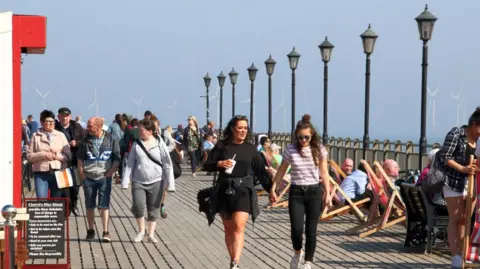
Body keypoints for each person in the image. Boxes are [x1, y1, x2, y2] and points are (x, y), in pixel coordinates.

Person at [203, 115, 269, 269]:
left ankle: (236, 263)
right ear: (232, 129)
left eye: (245, 128)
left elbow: (261, 172)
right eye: (240, 128)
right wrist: (219, 163)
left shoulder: (251, 149)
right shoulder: (221, 146)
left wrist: (272, 190)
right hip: (225, 189)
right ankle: (233, 260)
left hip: (244, 189)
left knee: (239, 225)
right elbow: (206, 165)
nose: (243, 131)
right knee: (228, 229)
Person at [269, 114, 332, 269]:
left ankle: (308, 262)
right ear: (296, 136)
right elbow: (281, 170)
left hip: (314, 191)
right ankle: (298, 252)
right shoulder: (290, 149)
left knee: (311, 230)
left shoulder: (319, 150)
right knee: (296, 228)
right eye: (300, 137)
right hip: (296, 192)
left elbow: (324, 173)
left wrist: (328, 193)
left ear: (312, 136)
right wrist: (273, 188)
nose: (303, 141)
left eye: (306, 138)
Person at [438, 107, 480, 268]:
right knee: (457, 219)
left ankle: (464, 253)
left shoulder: (478, 141)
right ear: (474, 124)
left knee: (466, 219)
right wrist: (462, 168)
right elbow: (444, 156)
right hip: (453, 181)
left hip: (471, 183)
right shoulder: (456, 133)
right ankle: (456, 255)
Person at [121, 119, 175, 243]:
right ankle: (141, 231)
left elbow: (167, 164)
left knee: (153, 208)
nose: (139, 132)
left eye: (141, 130)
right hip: (138, 180)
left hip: (157, 180)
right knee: (138, 206)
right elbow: (130, 164)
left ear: (150, 131)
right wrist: (125, 181)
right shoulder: (136, 144)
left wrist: (170, 184)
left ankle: (151, 234)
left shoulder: (159, 143)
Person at [77, 117, 121, 242]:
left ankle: (105, 231)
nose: (87, 128)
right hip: (89, 177)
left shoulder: (111, 139)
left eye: (90, 126)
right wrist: (82, 175)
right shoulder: (86, 140)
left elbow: (117, 157)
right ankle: (90, 230)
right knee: (89, 205)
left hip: (104, 177)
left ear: (98, 126)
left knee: (104, 205)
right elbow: (80, 159)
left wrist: (110, 172)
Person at [27, 110, 71, 198]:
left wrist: (58, 156)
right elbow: (29, 156)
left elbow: (68, 156)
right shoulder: (35, 136)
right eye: (48, 121)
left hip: (58, 172)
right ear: (42, 122)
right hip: (40, 173)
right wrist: (43, 155)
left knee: (56, 202)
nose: (51, 123)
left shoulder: (61, 135)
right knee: (41, 200)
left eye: (52, 121)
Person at [55, 107, 86, 216]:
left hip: (75, 159)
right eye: (62, 116)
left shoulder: (76, 127)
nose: (64, 118)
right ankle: (66, 209)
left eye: (66, 116)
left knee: (75, 187)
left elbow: (85, 140)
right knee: (64, 187)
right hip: (62, 160)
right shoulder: (55, 127)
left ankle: (74, 204)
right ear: (58, 117)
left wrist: (76, 143)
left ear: (70, 117)